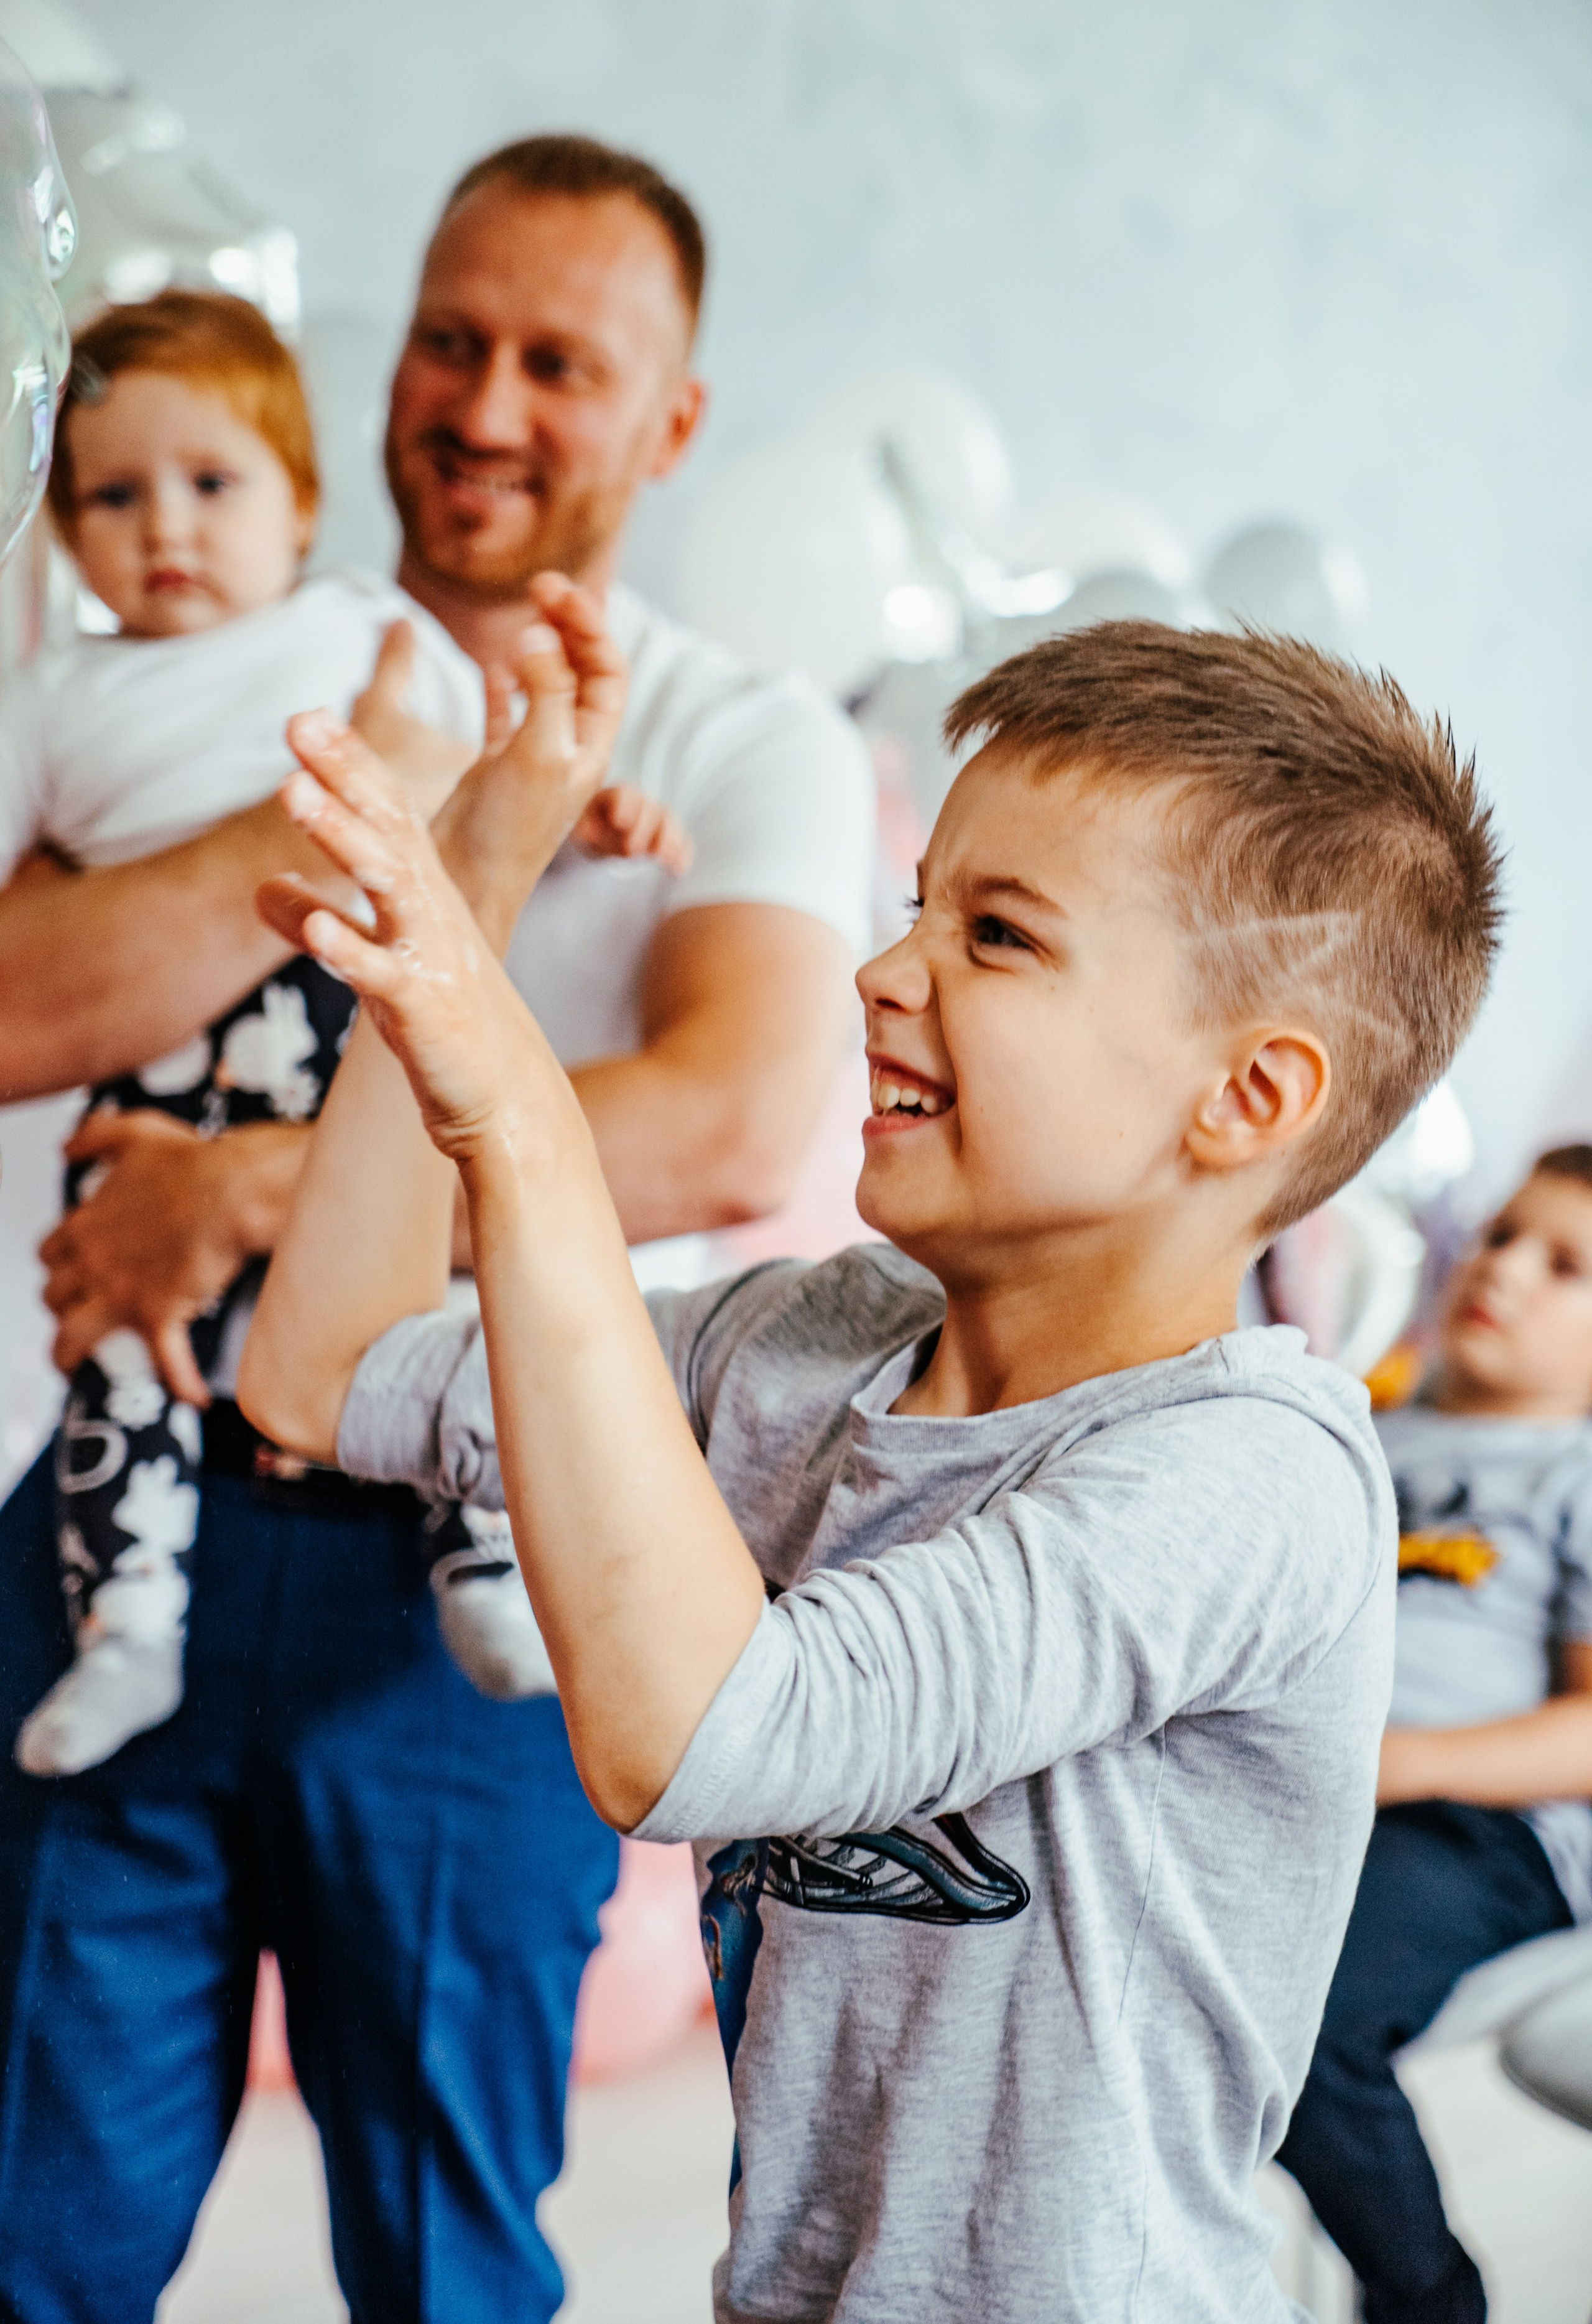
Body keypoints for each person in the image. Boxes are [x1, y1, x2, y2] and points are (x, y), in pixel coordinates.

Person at [241, 618, 1501, 2322]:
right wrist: (459, 893)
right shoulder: (810, 1341)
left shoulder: (1254, 1479)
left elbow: (705, 1735)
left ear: (1246, 1097)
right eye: (915, 904)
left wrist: (525, 1125)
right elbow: (321, 1370)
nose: (882, 970)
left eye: (997, 934)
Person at [0, 138, 872, 2323]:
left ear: (672, 421)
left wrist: (249, 1193)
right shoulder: (207, 660)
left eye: (559, 366)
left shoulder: (731, 732)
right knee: (35, 2228)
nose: (485, 408)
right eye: (451, 342)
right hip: (129, 1522)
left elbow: (736, 1118)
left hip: (482, 1556)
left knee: (443, 2256)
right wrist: (386, 779)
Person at [3, 287, 690, 1777]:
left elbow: (485, 781)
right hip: (159, 1086)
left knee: (419, 1303)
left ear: (302, 505)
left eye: (212, 483)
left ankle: (482, 1561)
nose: (165, 527)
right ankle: (126, 1623)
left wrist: (595, 817)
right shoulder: (51, 699)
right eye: (113, 496)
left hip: (351, 1032)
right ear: (60, 526)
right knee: (125, 1330)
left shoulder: (362, 633)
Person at [1276, 1147, 1592, 2324]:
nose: (1503, 1269)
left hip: (1481, 1831)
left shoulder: (1573, 1471)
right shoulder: (1363, 1429)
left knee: (1300, 2015)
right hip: (1309, 1793)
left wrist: (1396, 1764)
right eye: (1503, 1235)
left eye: (1565, 1265)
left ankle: (1431, 2302)